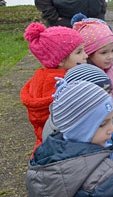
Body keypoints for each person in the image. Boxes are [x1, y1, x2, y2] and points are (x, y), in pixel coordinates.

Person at [41, 64, 113, 196]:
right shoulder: (72, 165)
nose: (112, 129)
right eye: (102, 124)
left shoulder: (110, 118)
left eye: (109, 94)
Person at [26, 80, 113, 197]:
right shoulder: (104, 175)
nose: (111, 129)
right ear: (78, 129)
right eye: (102, 124)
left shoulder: (42, 161)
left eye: (111, 120)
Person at [21, 22, 86, 152]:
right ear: (60, 60)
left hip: (43, 147)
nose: (86, 55)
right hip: (66, 150)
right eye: (79, 52)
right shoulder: (65, 84)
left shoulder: (40, 78)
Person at [71, 15, 113, 145]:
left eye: (112, 51)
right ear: (89, 53)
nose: (110, 56)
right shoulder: (88, 79)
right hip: (103, 137)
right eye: (104, 53)